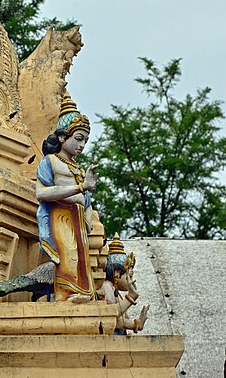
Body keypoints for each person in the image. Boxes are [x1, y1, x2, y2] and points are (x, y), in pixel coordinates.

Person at [35, 94, 97, 301]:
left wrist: (88, 219)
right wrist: (80, 187)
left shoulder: (79, 168)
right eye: (78, 139)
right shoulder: (50, 161)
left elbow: (86, 199)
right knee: (68, 257)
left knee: (81, 260)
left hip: (79, 218)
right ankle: (63, 298)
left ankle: (80, 295)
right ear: (62, 137)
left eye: (85, 141)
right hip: (60, 215)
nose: (82, 145)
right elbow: (42, 193)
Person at [100, 235, 149, 334]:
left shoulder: (116, 292)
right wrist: (130, 297)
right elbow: (109, 317)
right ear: (117, 274)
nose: (131, 280)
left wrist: (136, 324)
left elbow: (120, 321)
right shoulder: (106, 287)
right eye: (129, 276)